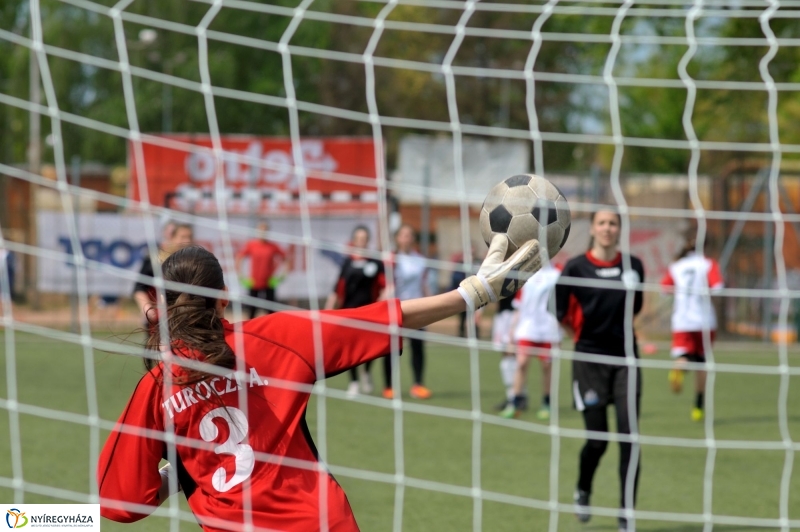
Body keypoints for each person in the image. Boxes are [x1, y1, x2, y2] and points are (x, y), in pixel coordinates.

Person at [97, 235, 542, 531]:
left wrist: (182, 473)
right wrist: (475, 292)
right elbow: (382, 319)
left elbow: (120, 502)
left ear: (161, 303)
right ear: (225, 299)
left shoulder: (157, 386)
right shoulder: (276, 337)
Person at [555, 210, 644, 532]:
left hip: (627, 362)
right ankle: (583, 489)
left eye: (613, 223)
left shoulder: (634, 266)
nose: (607, 228)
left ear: (619, 229)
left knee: (629, 439)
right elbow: (559, 312)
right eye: (602, 223)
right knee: (598, 441)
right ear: (592, 229)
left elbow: (635, 308)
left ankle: (626, 516)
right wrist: (580, 340)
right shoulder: (575, 268)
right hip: (589, 362)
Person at [661, 238, 724, 422]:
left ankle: (679, 367)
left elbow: (664, 289)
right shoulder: (708, 264)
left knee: (685, 355)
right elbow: (718, 288)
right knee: (702, 363)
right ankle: (698, 406)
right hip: (705, 321)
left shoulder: (677, 266)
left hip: (682, 321)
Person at [324, 225, 387, 397]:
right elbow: (337, 288)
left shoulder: (375, 262)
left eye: (364, 238)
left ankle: (366, 372)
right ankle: (354, 383)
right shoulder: (347, 262)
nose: (361, 241)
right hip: (349, 312)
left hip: (369, 312)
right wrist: (328, 309)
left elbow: (385, 286)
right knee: (349, 349)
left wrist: (383, 302)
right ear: (353, 241)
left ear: (368, 241)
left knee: (370, 349)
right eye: (358, 238)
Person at [501, 261, 562, 420]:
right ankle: (515, 402)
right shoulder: (526, 273)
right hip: (527, 328)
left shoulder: (558, 272)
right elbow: (519, 306)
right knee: (521, 363)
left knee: (547, 366)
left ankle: (547, 403)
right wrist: (511, 332)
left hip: (549, 329)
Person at [385, 224, 432, 400]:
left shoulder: (420, 260)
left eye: (409, 235)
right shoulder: (390, 259)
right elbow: (386, 285)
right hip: (396, 310)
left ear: (413, 239)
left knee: (418, 348)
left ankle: (418, 385)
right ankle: (389, 386)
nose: (406, 238)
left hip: (417, 309)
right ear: (397, 238)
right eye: (403, 235)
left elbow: (424, 285)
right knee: (391, 349)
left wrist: (431, 307)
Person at [132, 222, 193, 328]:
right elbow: (139, 288)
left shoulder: (195, 261)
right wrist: (147, 310)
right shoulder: (156, 260)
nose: (187, 241)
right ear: (172, 238)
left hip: (187, 318)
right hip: (161, 319)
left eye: (189, 237)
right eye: (183, 237)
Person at [235, 221, 287, 319]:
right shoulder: (252, 245)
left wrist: (282, 276)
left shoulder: (272, 246)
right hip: (254, 282)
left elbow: (285, 258)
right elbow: (239, 257)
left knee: (271, 311)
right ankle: (249, 330)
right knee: (252, 310)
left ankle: (272, 332)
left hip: (268, 282)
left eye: (265, 230)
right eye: (260, 230)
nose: (262, 232)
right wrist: (241, 275)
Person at [492, 296, 523, 411]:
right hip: (502, 314)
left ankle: (515, 397)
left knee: (511, 355)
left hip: (512, 314)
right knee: (507, 355)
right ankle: (515, 396)